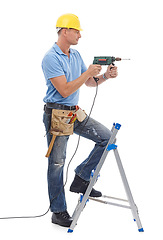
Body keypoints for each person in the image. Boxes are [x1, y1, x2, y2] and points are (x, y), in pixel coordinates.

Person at [42, 13, 118, 228]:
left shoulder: (75, 55)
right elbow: (65, 89)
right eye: (77, 31)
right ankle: (58, 211)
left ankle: (82, 178)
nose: (80, 35)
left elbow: (88, 83)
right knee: (57, 163)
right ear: (64, 31)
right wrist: (87, 75)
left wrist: (104, 77)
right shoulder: (50, 58)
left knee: (106, 138)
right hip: (57, 115)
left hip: (74, 113)